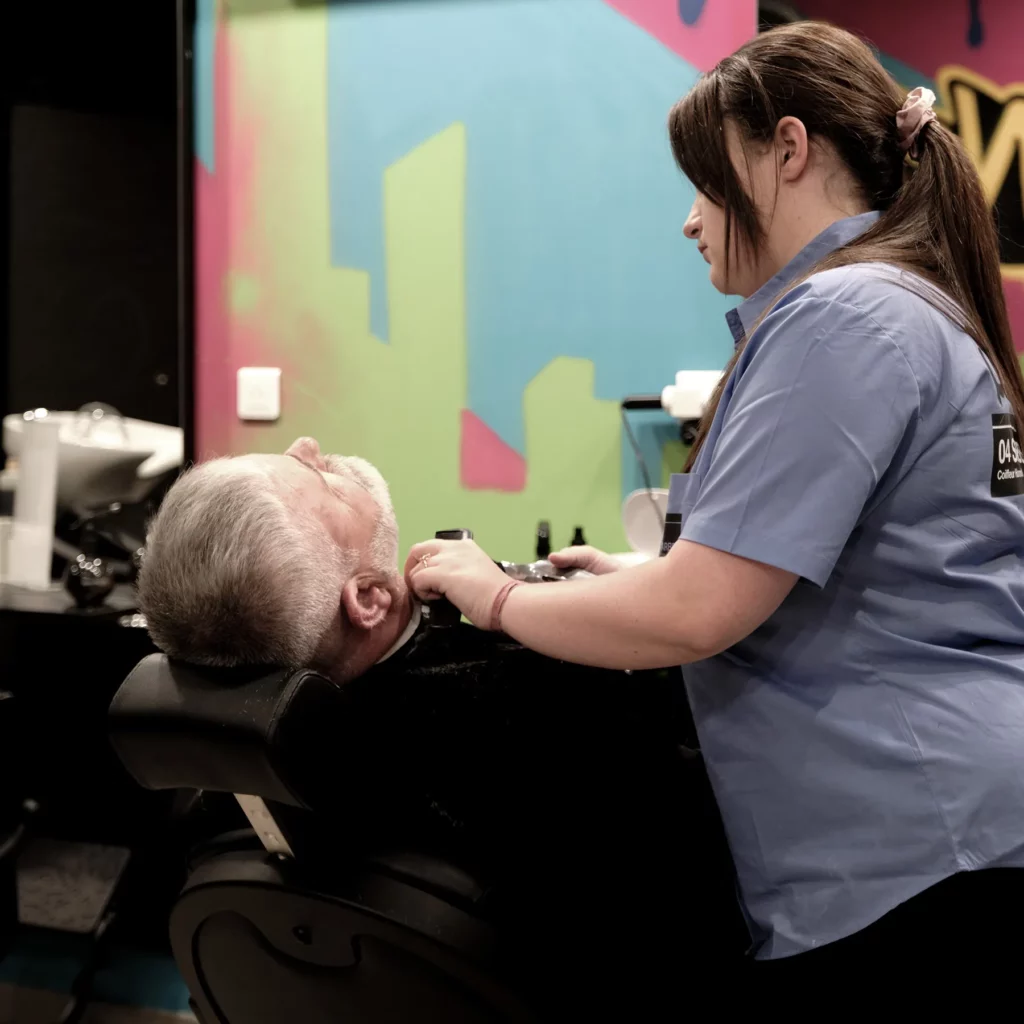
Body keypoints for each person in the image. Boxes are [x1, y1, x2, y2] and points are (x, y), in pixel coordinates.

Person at [403, 21, 1024, 976]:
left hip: (908, 845)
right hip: (949, 832)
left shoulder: (843, 316)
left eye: (703, 179)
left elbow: (697, 613)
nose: (691, 219)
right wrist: (636, 577)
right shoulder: (912, 304)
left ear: (787, 149)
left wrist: (496, 596)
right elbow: (820, 568)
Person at [136, 439, 746, 1011]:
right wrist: (602, 621)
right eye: (323, 483)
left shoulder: (224, 782)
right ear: (369, 598)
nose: (308, 447)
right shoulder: (541, 702)